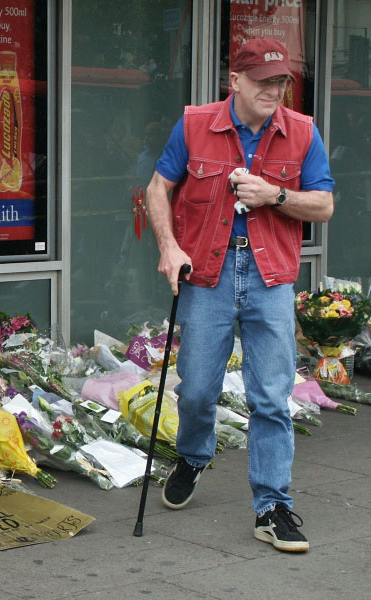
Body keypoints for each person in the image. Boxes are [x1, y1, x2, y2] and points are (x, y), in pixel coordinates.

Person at [145, 39, 334, 553]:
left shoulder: (302, 132)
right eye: (264, 82)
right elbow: (157, 188)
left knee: (271, 397)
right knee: (198, 390)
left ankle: (272, 507)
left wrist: (275, 195)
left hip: (271, 275)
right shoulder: (194, 124)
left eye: (281, 83)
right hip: (207, 271)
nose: (274, 90)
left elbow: (323, 205)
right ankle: (192, 453)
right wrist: (169, 247)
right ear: (237, 82)